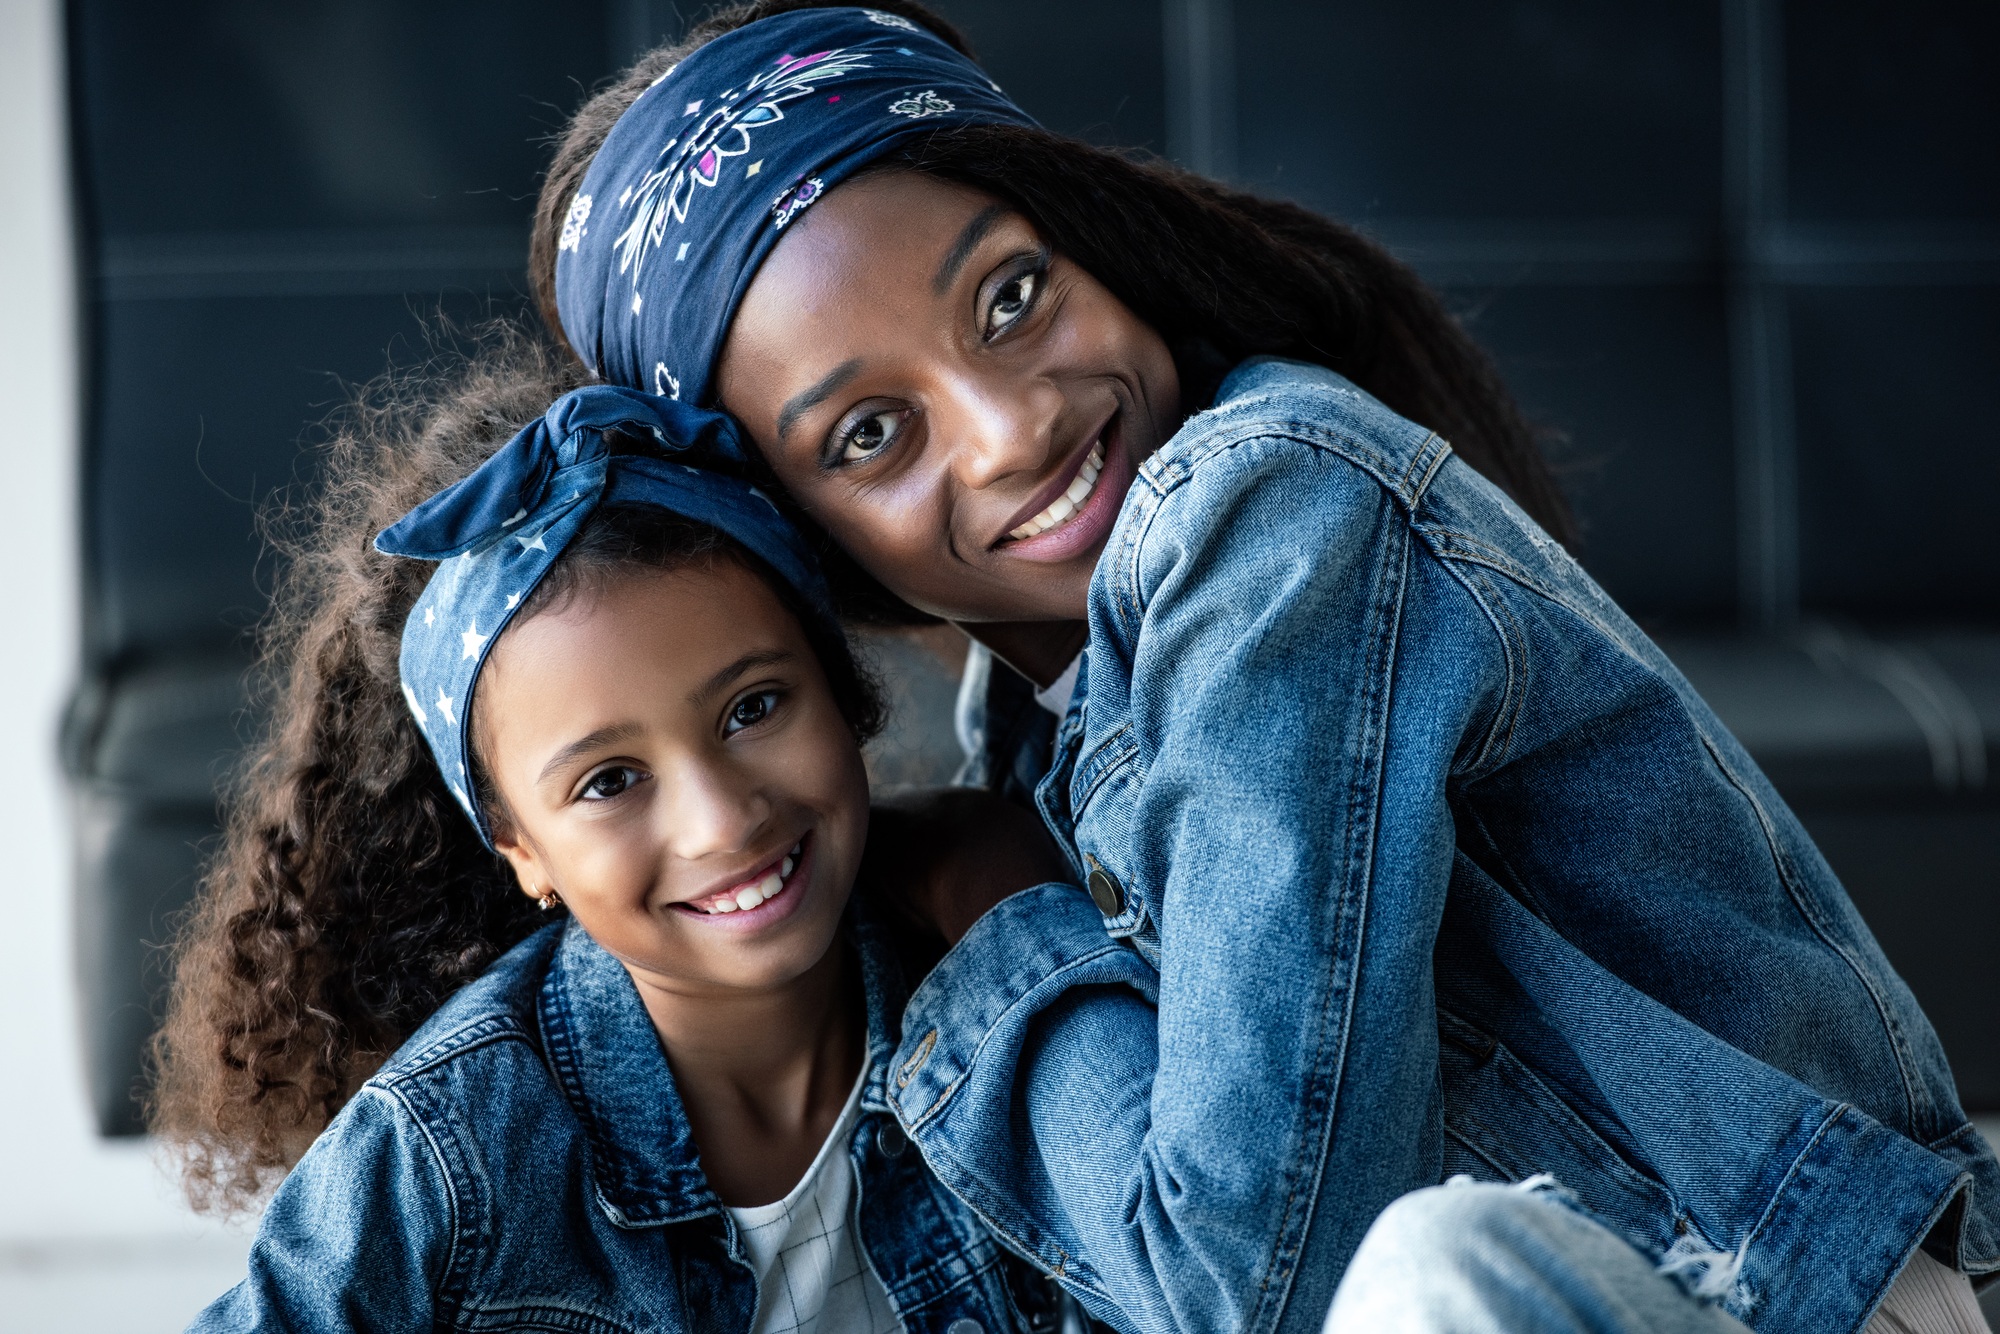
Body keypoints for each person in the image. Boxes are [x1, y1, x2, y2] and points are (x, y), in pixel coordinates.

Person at [528, 5, 2000, 1334]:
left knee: (1438, 1279)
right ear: (809, 541)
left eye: (1011, 296)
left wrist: (998, 908)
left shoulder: (1267, 509)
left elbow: (1264, 1279)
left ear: (1086, 235)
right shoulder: (1025, 725)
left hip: (1763, 1299)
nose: (1009, 425)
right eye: (869, 434)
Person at [151, 348, 1062, 1333]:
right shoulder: (446, 1155)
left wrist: (1013, 904)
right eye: (608, 781)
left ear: (843, 694)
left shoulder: (991, 970)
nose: (720, 819)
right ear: (519, 848)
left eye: (753, 706)